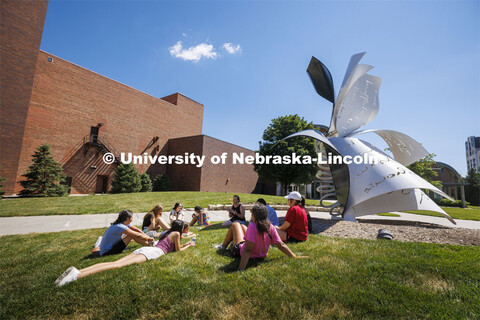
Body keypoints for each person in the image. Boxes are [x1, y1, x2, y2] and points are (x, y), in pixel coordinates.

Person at [55, 220, 195, 286]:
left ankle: (76, 271)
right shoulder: (176, 234)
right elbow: (177, 250)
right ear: (181, 228)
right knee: (117, 265)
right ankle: (77, 276)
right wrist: (188, 246)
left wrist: (185, 242)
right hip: (152, 253)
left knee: (115, 262)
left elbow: (172, 247)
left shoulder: (169, 233)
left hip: (146, 249)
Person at [215, 204, 303, 271]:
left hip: (239, 252)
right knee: (241, 226)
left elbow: (247, 250)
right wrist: (294, 256)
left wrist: (240, 269)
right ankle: (226, 244)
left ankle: (223, 246)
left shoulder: (252, 226)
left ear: (254, 216)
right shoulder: (270, 227)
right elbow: (281, 245)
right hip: (261, 255)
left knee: (235, 224)